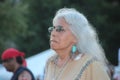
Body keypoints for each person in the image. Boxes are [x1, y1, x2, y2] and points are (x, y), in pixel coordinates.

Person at [44, 8, 111, 80]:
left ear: (76, 36)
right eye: (52, 29)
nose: (53, 33)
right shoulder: (50, 62)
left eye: (60, 29)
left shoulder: (91, 64)